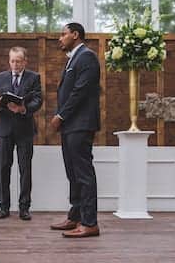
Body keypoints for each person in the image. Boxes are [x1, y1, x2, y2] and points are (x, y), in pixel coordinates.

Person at [49, 23, 101, 238]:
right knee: (73, 173)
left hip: (80, 123)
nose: (60, 38)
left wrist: (61, 115)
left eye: (63, 34)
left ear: (75, 35)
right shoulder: (75, 57)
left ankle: (90, 223)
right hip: (71, 125)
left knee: (83, 174)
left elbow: (80, 91)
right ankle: (75, 216)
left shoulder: (87, 57)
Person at [0, 46, 42, 221]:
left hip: (25, 129)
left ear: (25, 61)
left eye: (18, 61)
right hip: (5, 130)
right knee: (3, 168)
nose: (15, 64)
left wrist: (23, 109)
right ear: (9, 61)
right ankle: (4, 207)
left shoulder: (34, 77)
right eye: (12, 61)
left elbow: (38, 100)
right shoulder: (0, 78)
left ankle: (24, 208)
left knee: (25, 170)